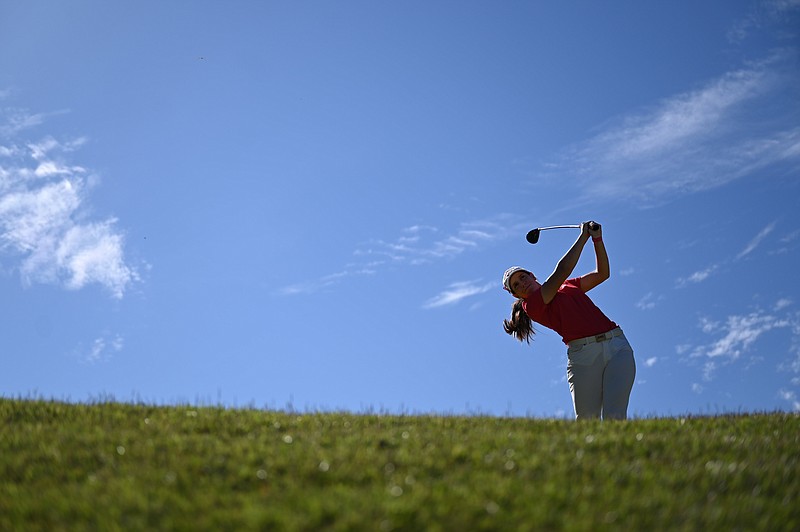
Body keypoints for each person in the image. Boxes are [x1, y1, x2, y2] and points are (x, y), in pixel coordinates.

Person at [502, 221, 635, 420]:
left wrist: (597, 239)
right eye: (516, 285)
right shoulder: (533, 306)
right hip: (583, 356)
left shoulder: (567, 286)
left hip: (617, 345)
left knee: (615, 416)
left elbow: (602, 274)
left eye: (522, 277)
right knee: (587, 420)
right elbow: (562, 269)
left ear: (532, 275)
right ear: (516, 296)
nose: (522, 283)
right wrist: (583, 237)